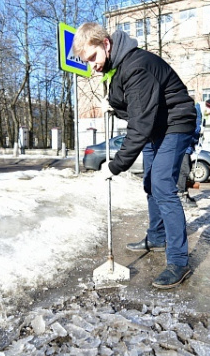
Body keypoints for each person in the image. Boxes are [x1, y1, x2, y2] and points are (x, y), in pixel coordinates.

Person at [72, 22, 197, 289]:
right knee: (150, 183)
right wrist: (113, 107)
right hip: (157, 126)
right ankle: (157, 236)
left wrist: (115, 165)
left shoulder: (136, 65)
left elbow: (139, 124)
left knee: (163, 186)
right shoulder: (117, 69)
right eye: (87, 61)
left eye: (93, 57)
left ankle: (178, 261)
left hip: (176, 124)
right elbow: (138, 108)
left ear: (105, 44)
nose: (92, 66)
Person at [177, 99, 210, 208]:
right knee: (184, 170)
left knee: (187, 169)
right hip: (183, 146)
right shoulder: (194, 111)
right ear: (208, 107)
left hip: (188, 146)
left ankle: (184, 193)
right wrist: (199, 130)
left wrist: (197, 143)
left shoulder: (201, 115)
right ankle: (180, 195)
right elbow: (188, 128)